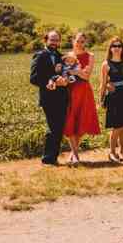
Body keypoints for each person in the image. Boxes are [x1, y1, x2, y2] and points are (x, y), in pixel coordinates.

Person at [30, 31, 69, 165]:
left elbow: (65, 73)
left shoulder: (60, 56)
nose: (54, 42)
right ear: (45, 40)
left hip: (62, 97)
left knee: (59, 128)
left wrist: (65, 80)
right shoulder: (40, 56)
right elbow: (33, 78)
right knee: (53, 127)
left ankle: (53, 157)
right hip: (48, 98)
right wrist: (49, 82)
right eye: (52, 40)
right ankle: (48, 158)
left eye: (57, 40)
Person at [62, 32, 101, 164]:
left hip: (84, 91)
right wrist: (79, 72)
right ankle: (76, 155)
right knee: (70, 120)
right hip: (69, 91)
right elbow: (62, 72)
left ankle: (74, 153)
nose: (80, 43)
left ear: (86, 43)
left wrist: (75, 72)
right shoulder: (67, 56)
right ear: (73, 40)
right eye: (78, 40)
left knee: (81, 120)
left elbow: (86, 76)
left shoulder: (90, 56)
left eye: (82, 41)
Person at [98, 37, 123, 162]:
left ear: (122, 48)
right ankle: (112, 152)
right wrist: (101, 99)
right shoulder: (106, 64)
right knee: (116, 126)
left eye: (119, 46)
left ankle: (122, 151)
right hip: (114, 97)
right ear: (110, 48)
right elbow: (102, 83)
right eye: (114, 46)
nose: (117, 48)